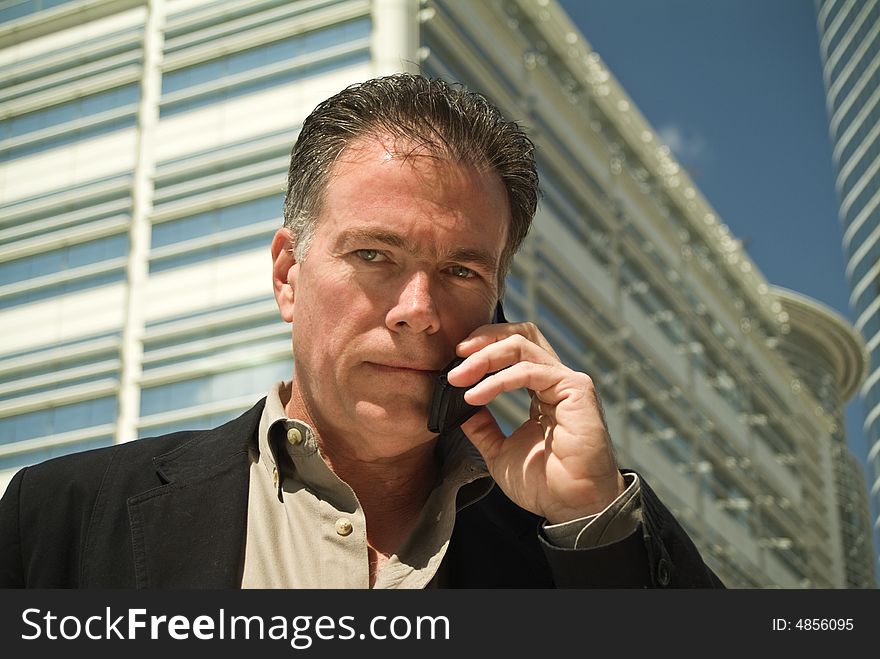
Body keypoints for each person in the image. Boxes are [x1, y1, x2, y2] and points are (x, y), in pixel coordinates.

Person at [0, 73, 722, 589]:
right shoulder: (60, 520)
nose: (419, 308)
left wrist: (591, 522)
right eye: (374, 255)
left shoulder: (578, 537)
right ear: (288, 275)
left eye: (462, 272)